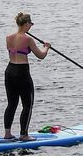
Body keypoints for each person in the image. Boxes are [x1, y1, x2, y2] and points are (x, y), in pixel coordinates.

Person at [5, 12, 50, 141]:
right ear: (25, 24)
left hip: (9, 71)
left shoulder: (9, 37)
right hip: (22, 72)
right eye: (30, 23)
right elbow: (41, 56)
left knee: (11, 104)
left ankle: (7, 133)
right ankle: (24, 134)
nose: (31, 26)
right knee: (27, 105)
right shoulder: (28, 39)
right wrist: (46, 47)